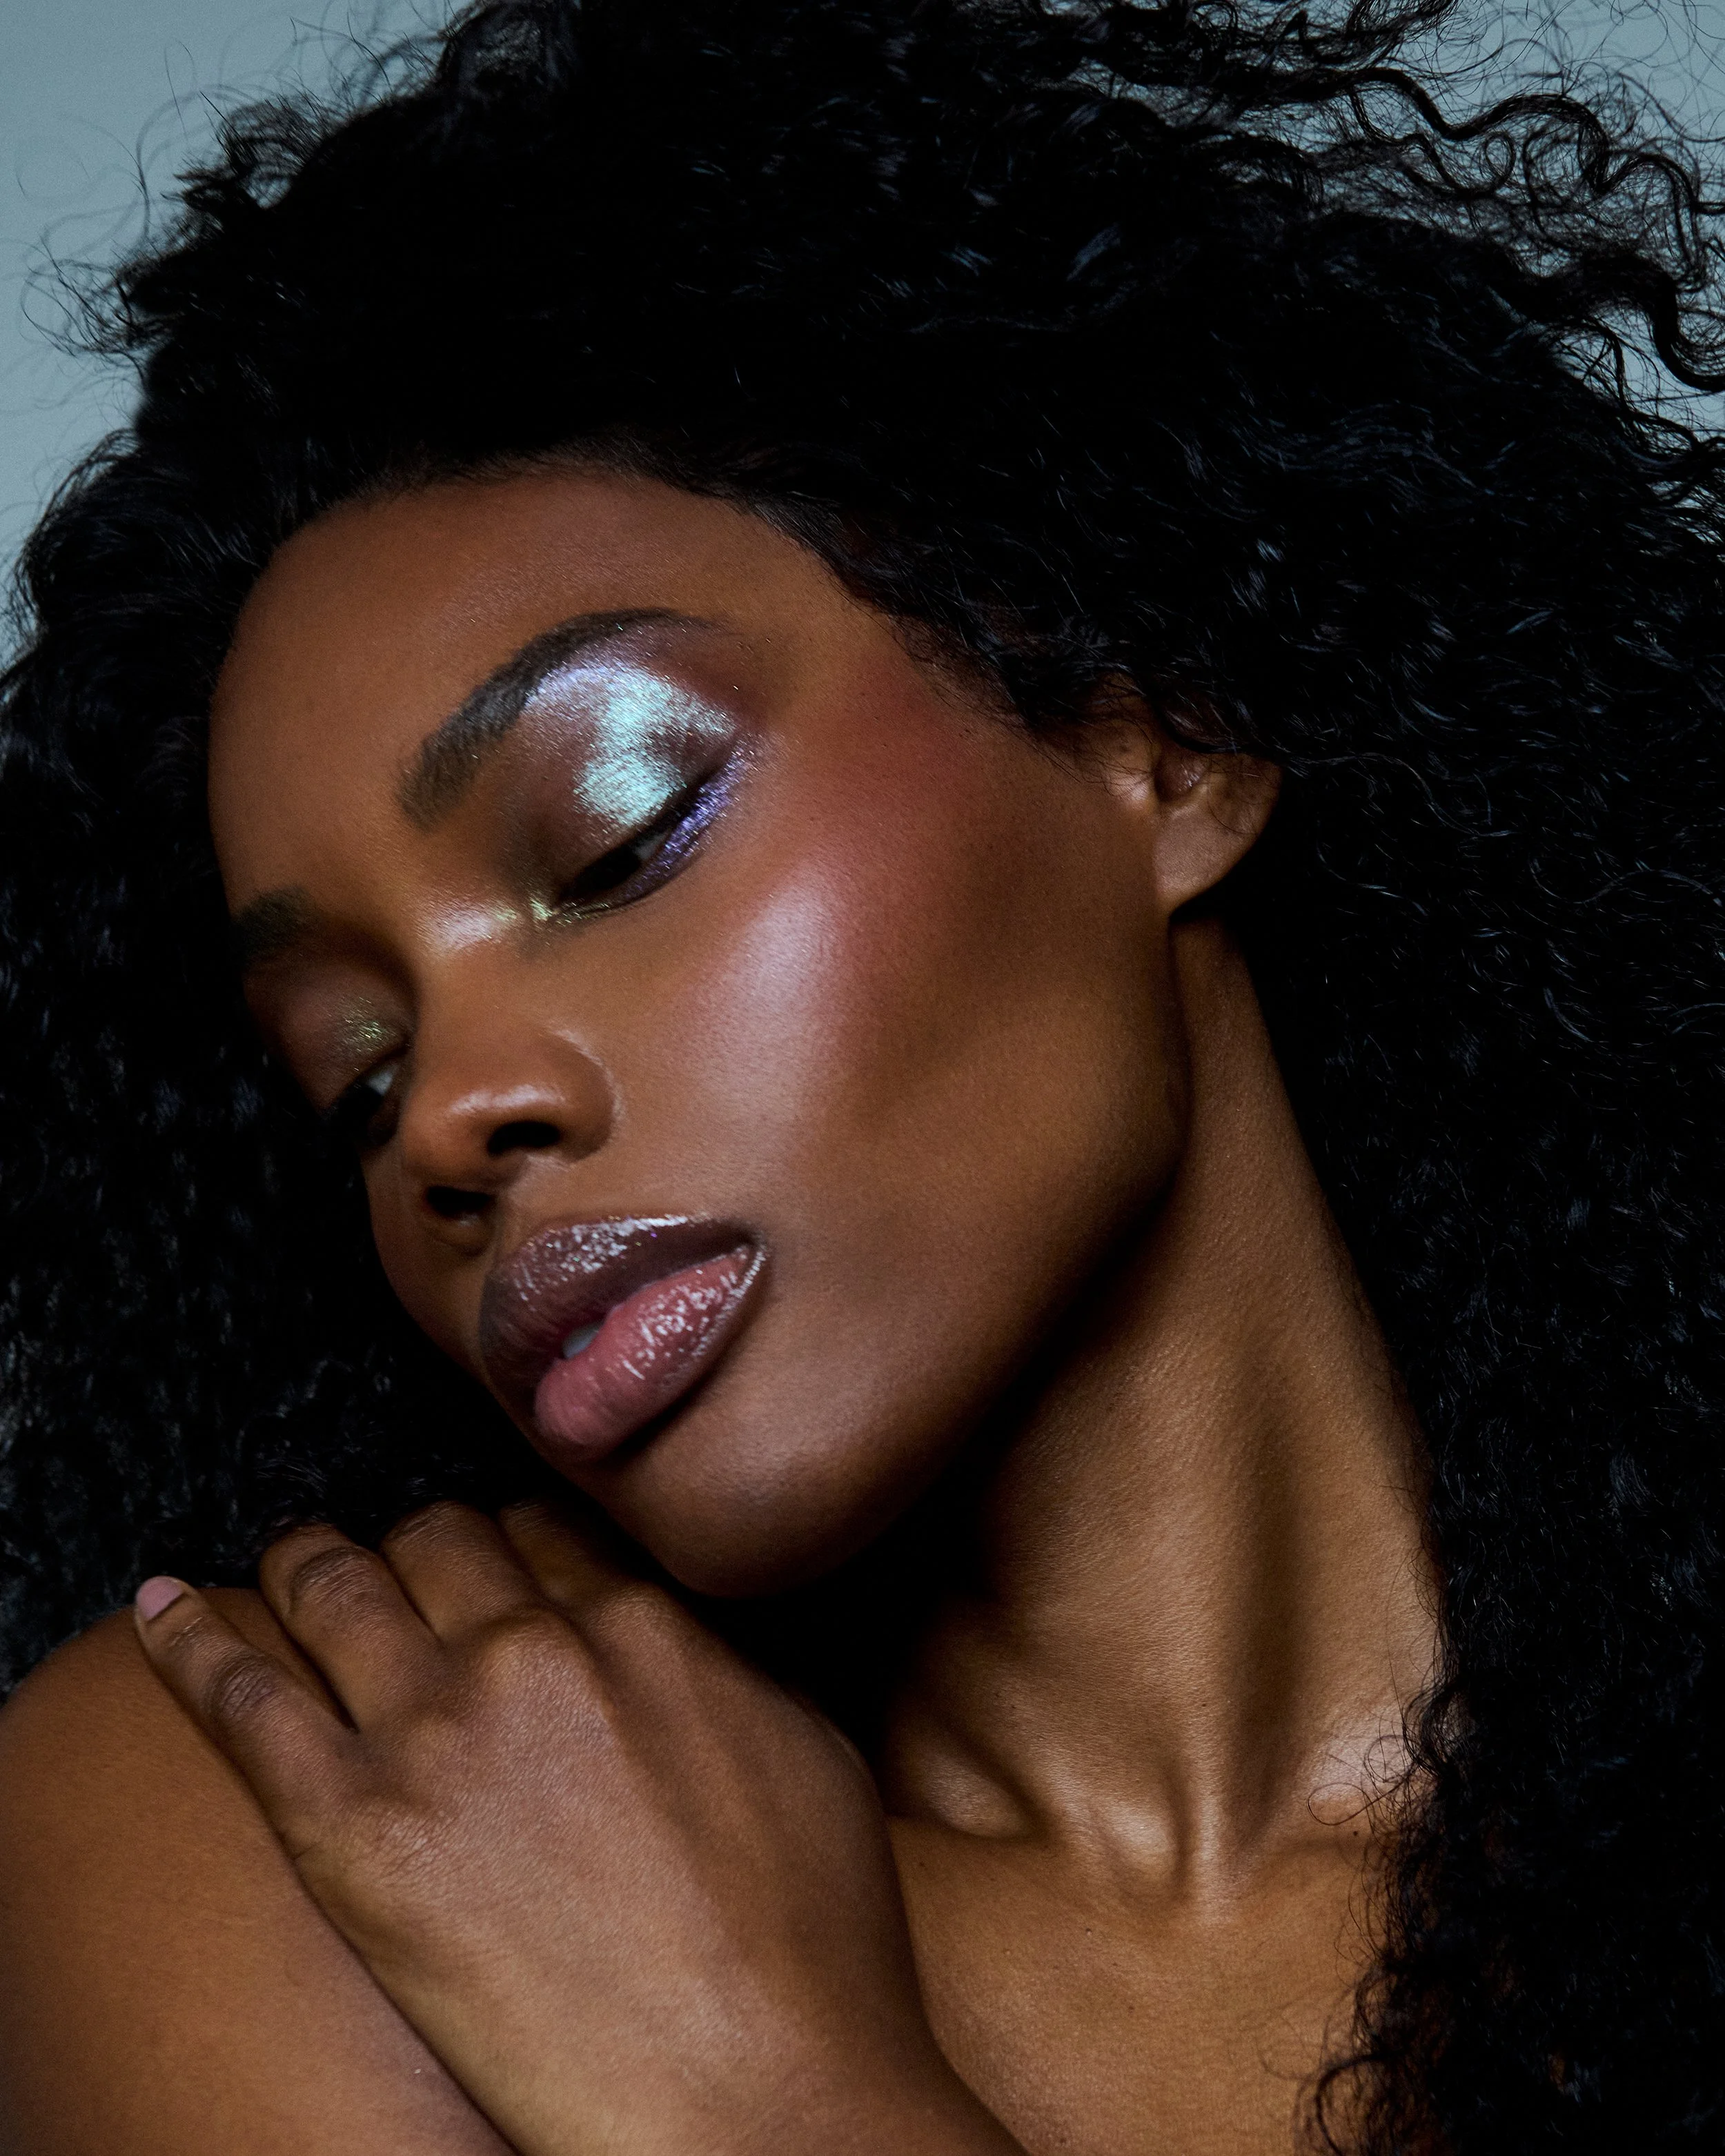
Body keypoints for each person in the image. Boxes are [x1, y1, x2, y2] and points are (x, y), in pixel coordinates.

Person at [1, 0, 1723, 2148]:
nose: (446, 1117)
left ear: (1161, 740)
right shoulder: (318, 1809)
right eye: (352, 1073)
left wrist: (765, 2088)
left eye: (616, 838)